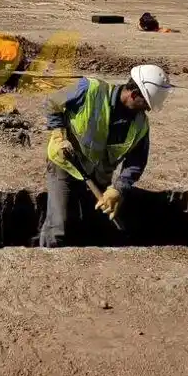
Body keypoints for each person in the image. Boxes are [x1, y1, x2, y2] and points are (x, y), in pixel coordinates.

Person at [38, 64, 172, 248]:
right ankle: (50, 259)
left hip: (98, 175)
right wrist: (58, 134)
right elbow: (52, 101)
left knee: (89, 224)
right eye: (145, 104)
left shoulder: (141, 125)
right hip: (66, 163)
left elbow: (137, 161)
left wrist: (118, 188)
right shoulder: (89, 89)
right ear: (133, 94)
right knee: (59, 223)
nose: (147, 110)